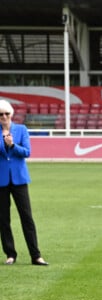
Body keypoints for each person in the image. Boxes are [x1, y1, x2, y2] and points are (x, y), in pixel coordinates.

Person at [0, 99, 49, 266]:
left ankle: (36, 255)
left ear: (11, 114)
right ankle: (10, 254)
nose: (4, 117)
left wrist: (12, 145)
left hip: (19, 179)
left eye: (6, 114)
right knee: (3, 219)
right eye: (1, 114)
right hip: (1, 180)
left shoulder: (21, 130)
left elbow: (27, 152)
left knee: (27, 217)